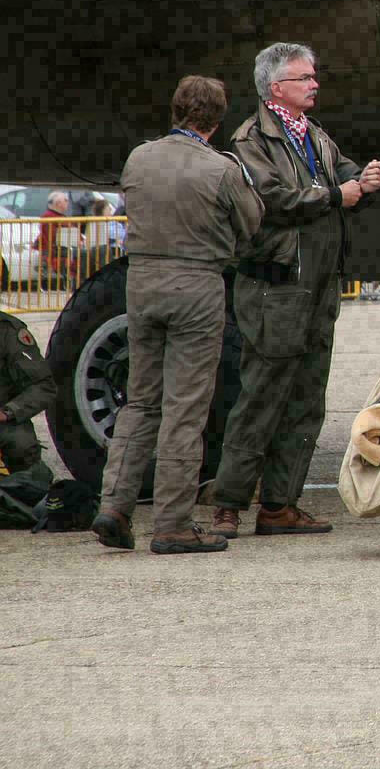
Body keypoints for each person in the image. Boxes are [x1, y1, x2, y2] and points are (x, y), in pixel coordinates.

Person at [210, 44, 380, 539]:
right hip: (278, 287)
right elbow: (271, 198)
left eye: (313, 76)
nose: (314, 84)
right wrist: (336, 195)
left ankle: (280, 505)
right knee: (261, 396)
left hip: (318, 286)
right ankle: (228, 504)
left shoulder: (313, 134)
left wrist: (362, 179)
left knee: (307, 399)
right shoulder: (252, 139)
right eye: (304, 78)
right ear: (275, 87)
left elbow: (340, 172)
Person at [90, 77, 265, 554]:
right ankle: (172, 523)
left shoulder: (139, 157)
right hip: (196, 283)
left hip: (142, 282)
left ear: (176, 110)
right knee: (185, 409)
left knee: (141, 401)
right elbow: (251, 222)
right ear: (218, 119)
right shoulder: (221, 168)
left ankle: (114, 506)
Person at [0, 313, 57, 529]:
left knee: (21, 444)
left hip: (2, 419)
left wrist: (8, 412)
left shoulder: (7, 332)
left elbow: (44, 386)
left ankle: (17, 495)